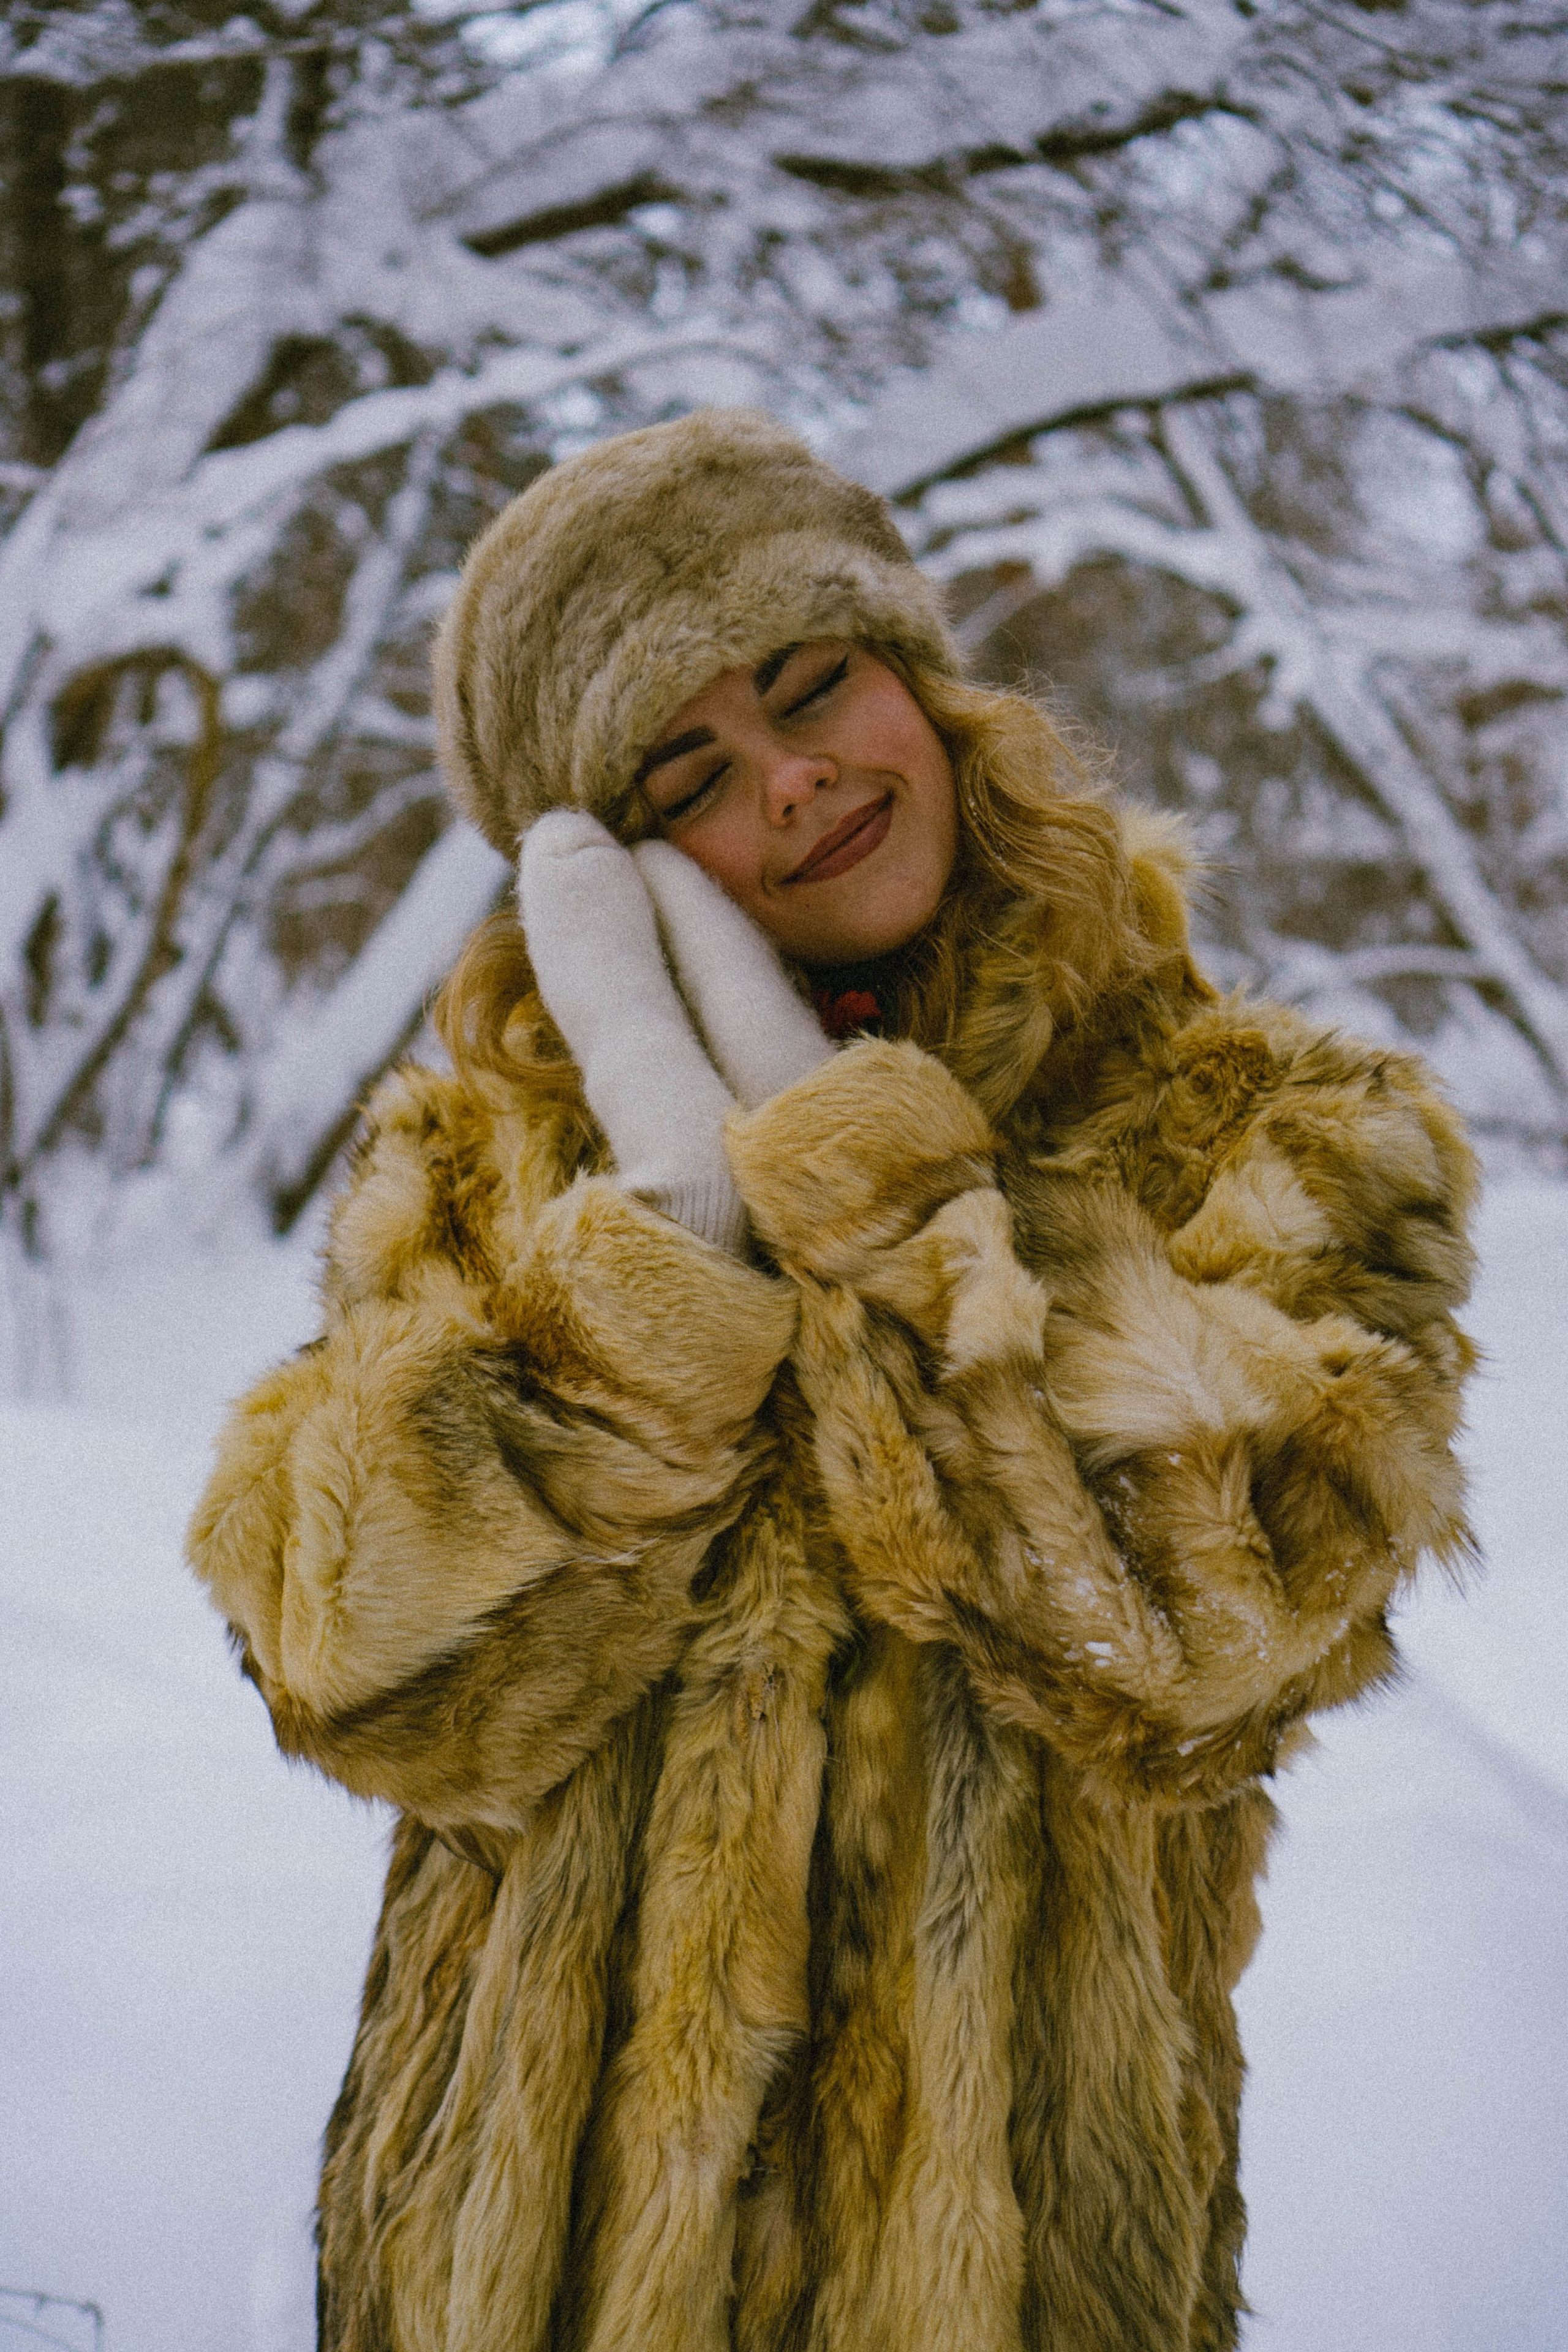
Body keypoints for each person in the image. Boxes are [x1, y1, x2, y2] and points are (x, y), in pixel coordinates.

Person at [187, 409, 1478, 2352]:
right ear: (614, 868)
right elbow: (349, 1671)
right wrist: (661, 1255)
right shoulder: (485, 1165)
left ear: (925, 685)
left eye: (815, 687)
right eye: (690, 770)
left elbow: (1190, 1641)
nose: (792, 782)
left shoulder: (1271, 1131)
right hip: (511, 2277)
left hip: (1012, 2277)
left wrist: (854, 1173)